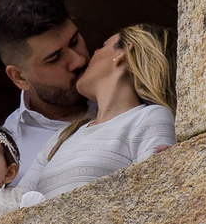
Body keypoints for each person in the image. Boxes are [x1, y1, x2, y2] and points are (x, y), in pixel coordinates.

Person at [18, 23, 177, 199]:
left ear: (123, 53)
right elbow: (16, 201)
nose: (83, 61)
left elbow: (156, 197)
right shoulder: (63, 136)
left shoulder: (151, 116)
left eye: (101, 47)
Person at [0, 0, 92, 184]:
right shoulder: (4, 154)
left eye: (75, 41)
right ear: (19, 77)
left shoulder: (136, 95)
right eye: (54, 58)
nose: (78, 60)